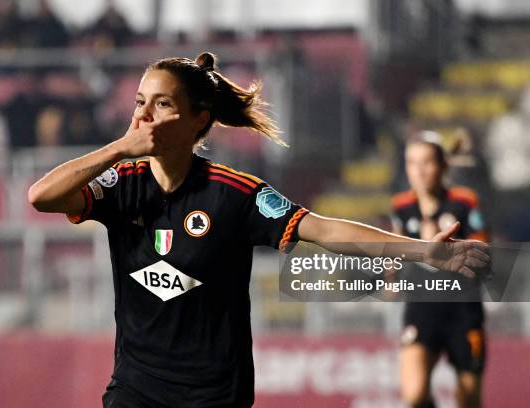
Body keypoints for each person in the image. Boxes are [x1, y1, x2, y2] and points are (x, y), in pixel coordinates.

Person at [28, 53, 489, 408]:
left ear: (199, 120)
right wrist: (118, 149)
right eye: (139, 102)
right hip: (136, 388)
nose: (144, 115)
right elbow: (41, 196)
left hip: (213, 394)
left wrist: (423, 252)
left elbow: (322, 230)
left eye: (162, 103)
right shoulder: (121, 186)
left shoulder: (234, 194)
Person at [391, 131, 489, 408]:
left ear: (442, 166)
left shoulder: (464, 202)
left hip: (463, 311)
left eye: (426, 163)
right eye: (412, 163)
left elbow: (484, 254)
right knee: (414, 394)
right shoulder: (402, 207)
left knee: (469, 399)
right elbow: (394, 252)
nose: (419, 172)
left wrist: (446, 249)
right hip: (422, 310)